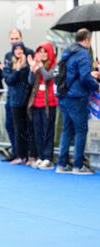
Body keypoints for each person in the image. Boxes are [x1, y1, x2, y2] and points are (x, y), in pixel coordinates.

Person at [56, 28, 98, 175]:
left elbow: (73, 73)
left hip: (64, 95)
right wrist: (97, 85)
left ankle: (62, 164)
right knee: (81, 130)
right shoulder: (83, 54)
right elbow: (85, 77)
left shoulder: (67, 52)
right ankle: (78, 165)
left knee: (67, 130)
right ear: (87, 39)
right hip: (77, 97)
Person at [1, 28, 34, 162]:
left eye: (16, 38)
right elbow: (7, 77)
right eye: (12, 39)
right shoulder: (8, 56)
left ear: (21, 38)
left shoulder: (29, 53)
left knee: (26, 127)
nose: (14, 41)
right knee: (10, 125)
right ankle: (16, 152)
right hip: (12, 96)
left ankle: (27, 154)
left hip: (26, 97)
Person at [27, 42, 58, 170]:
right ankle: (40, 156)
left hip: (49, 103)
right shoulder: (37, 65)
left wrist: (39, 66)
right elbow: (30, 81)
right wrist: (31, 69)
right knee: (38, 131)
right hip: (36, 102)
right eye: (40, 52)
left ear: (50, 52)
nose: (43, 54)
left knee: (48, 131)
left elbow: (48, 77)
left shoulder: (56, 65)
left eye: (45, 51)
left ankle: (48, 158)